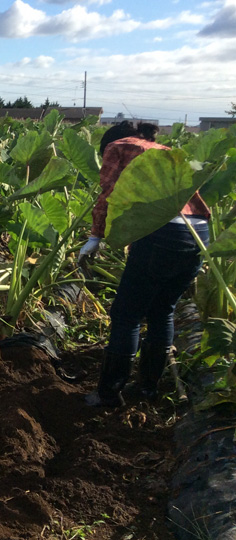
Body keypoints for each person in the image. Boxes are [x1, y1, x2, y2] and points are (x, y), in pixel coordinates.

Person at [80, 121, 211, 406]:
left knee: (127, 314)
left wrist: (95, 236)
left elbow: (110, 193)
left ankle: (108, 394)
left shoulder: (119, 146)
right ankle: (148, 390)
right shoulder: (165, 148)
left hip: (162, 229)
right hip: (198, 233)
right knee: (162, 310)